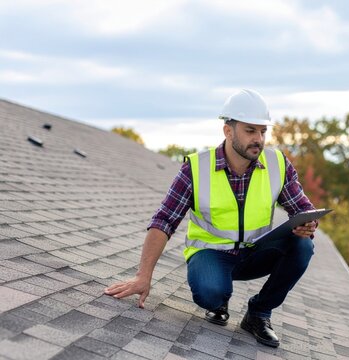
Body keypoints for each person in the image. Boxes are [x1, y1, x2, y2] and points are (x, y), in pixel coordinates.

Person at [104, 89, 318, 348]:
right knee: (211, 293)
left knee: (303, 245)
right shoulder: (196, 168)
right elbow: (164, 221)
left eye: (263, 132)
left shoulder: (277, 163)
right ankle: (219, 300)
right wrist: (143, 276)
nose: (258, 139)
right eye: (250, 131)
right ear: (228, 131)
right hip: (211, 254)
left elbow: (302, 209)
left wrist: (308, 223)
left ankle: (258, 314)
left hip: (255, 253)